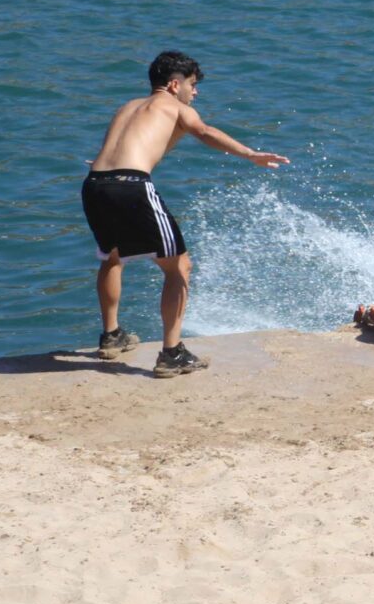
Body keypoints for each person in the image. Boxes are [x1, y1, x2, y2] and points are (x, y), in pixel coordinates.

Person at [83, 51, 289, 378]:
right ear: (175, 84)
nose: (195, 93)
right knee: (180, 265)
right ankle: (172, 353)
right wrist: (251, 154)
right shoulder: (176, 107)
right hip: (131, 184)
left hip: (95, 183)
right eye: (192, 85)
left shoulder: (128, 107)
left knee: (112, 256)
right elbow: (204, 132)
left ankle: (111, 336)